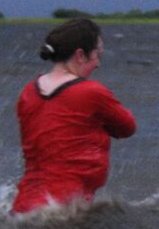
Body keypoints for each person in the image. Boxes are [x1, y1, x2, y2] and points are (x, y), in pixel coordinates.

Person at [12, 18, 136, 214]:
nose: (98, 64)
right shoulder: (91, 92)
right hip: (63, 210)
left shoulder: (28, 92)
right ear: (80, 55)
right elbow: (128, 127)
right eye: (97, 54)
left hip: (23, 206)